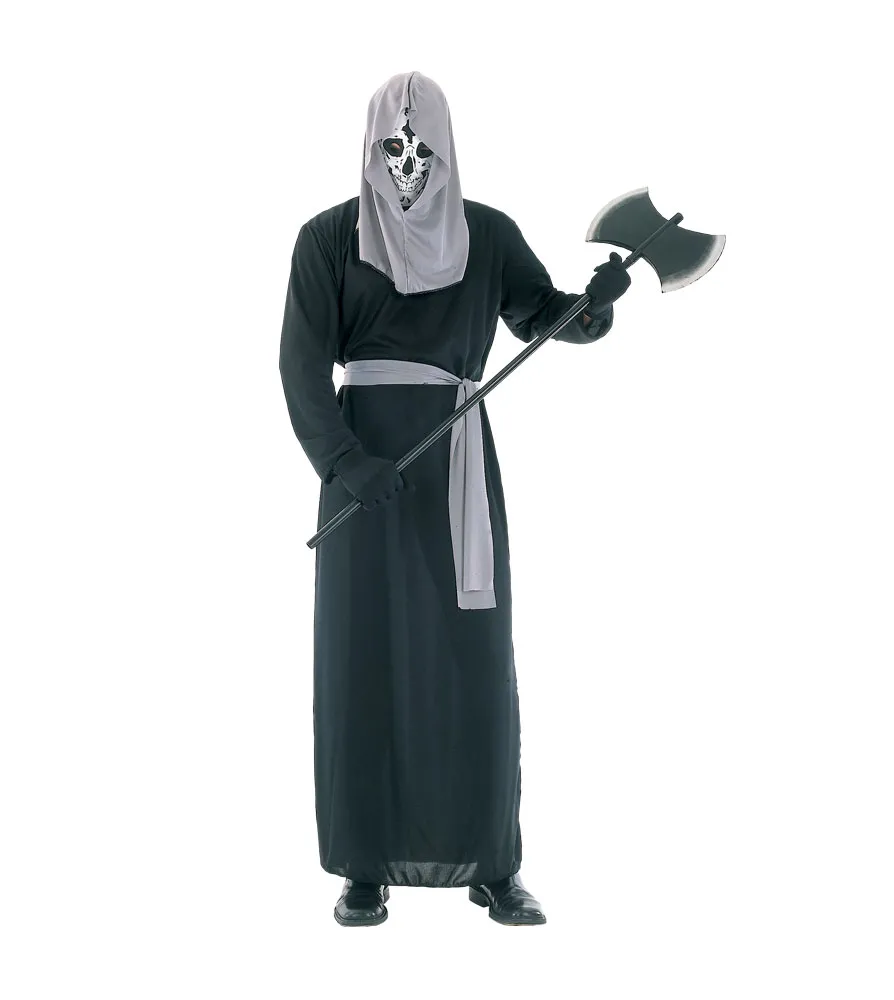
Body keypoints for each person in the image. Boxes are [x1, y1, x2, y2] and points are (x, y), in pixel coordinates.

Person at [278, 71, 630, 927]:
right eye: (392, 148)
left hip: (456, 468)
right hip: (363, 475)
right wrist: (344, 460)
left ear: (446, 149)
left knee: (470, 659)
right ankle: (364, 866)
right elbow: (300, 363)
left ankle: (492, 863)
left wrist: (593, 309)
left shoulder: (489, 235)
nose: (407, 165)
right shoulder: (327, 238)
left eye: (421, 148)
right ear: (371, 148)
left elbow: (544, 315)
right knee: (364, 656)